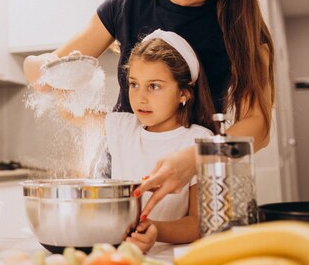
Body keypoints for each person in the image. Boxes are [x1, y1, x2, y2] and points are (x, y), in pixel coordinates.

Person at [23, 0, 275, 218]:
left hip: (198, 176)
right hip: (119, 170)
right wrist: (38, 67)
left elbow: (259, 127)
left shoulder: (242, 31)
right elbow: (51, 71)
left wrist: (197, 158)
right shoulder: (126, 4)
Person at [52, 30, 216, 251]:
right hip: (122, 255)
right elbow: (70, 112)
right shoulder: (122, 127)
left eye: (154, 86)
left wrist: (154, 230)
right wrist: (63, 71)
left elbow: (199, 224)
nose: (140, 97)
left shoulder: (199, 141)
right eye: (134, 84)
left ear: (184, 93)